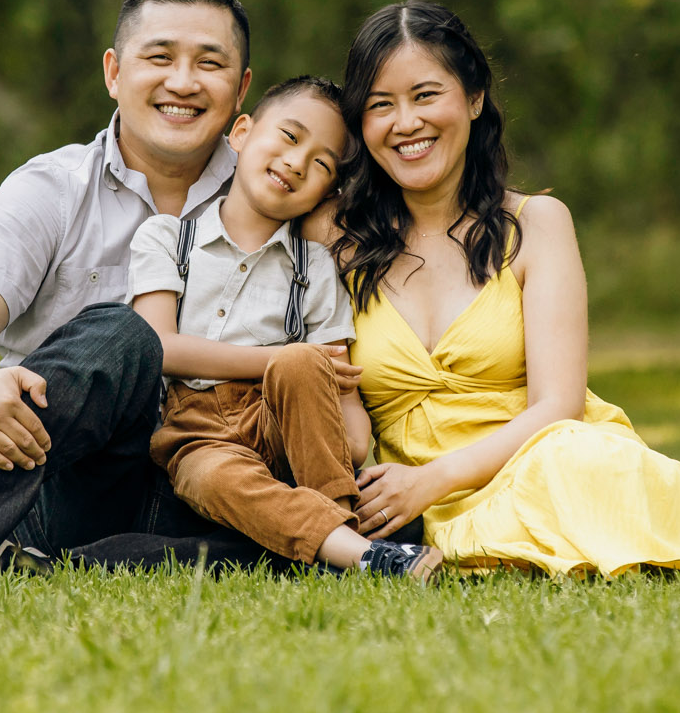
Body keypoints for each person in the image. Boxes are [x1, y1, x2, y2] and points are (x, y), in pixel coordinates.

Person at [329, 0, 680, 577]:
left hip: (536, 462)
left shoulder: (537, 225)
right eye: (379, 105)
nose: (405, 122)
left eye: (424, 95)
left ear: (473, 98)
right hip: (403, 495)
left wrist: (433, 479)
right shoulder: (338, 247)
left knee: (578, 463)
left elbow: (558, 405)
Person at [0, 0, 356, 577]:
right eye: (159, 57)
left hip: (220, 477)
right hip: (76, 479)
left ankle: (76, 566)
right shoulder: (52, 190)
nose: (183, 82)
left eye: (209, 64)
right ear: (114, 72)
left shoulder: (284, 189)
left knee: (304, 522)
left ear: (241, 90)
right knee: (122, 334)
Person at [131, 76, 446, 582]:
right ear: (241, 133)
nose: (297, 163)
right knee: (216, 477)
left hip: (285, 425)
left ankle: (342, 536)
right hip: (198, 437)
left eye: (322, 163)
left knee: (303, 361)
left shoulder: (316, 266)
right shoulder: (167, 237)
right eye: (290, 137)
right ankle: (361, 552)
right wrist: (278, 358)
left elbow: (344, 415)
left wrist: (347, 438)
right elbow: (160, 348)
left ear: (331, 190)